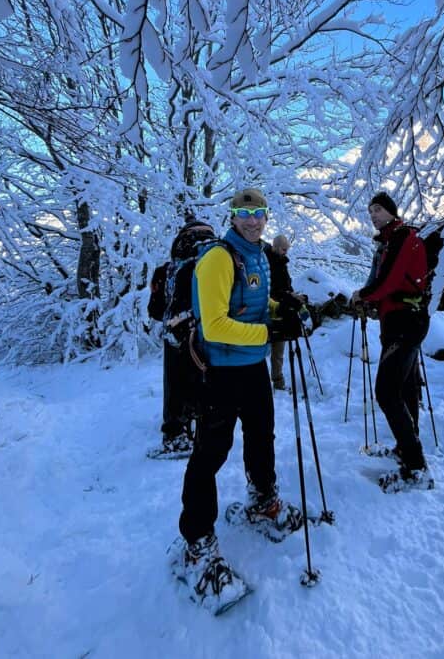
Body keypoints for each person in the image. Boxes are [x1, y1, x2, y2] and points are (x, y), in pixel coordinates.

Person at [177, 188, 303, 600]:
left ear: (266, 216)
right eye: (244, 213)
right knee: (211, 453)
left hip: (253, 369)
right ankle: (196, 541)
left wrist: (284, 310)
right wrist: (269, 331)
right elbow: (213, 325)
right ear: (232, 217)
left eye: (258, 213)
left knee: (262, 435)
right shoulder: (217, 257)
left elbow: (252, 299)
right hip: (221, 373)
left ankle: (263, 500)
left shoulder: (258, 255)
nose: (252, 220)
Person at [351, 191, 434, 491]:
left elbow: (389, 279)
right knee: (405, 387)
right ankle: (406, 448)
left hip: (405, 323)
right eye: (370, 210)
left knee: (386, 392)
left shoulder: (402, 237)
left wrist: (364, 295)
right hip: (401, 322)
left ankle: (416, 466)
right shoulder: (389, 240)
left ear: (390, 211)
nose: (372, 214)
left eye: (377, 209)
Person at [148, 219, 215, 455]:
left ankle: (177, 435)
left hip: (175, 336)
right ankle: (206, 430)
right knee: (204, 380)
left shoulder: (165, 271)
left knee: (175, 383)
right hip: (209, 333)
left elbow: (155, 311)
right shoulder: (214, 262)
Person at [263, 234, 294, 391]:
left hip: (281, 310)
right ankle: (266, 383)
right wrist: (287, 296)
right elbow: (272, 287)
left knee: (278, 350)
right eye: (283, 249)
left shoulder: (281, 263)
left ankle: (278, 381)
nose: (286, 252)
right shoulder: (266, 262)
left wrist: (293, 296)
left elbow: (286, 284)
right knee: (265, 348)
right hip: (268, 311)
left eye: (287, 249)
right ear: (275, 247)